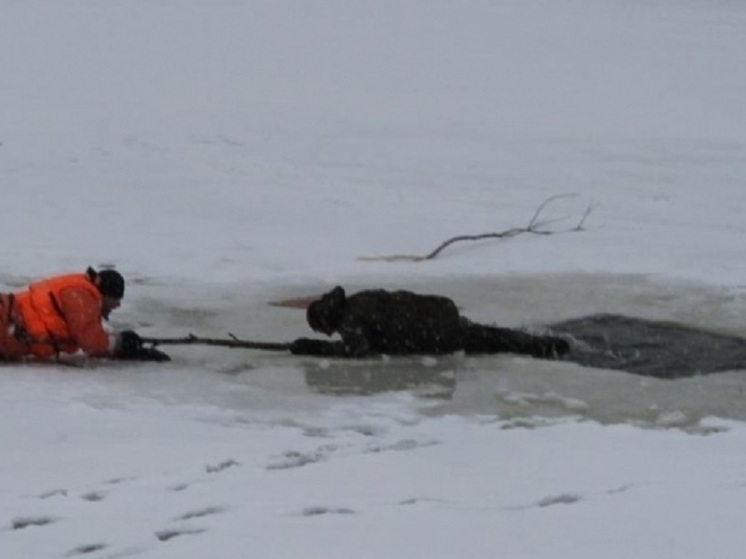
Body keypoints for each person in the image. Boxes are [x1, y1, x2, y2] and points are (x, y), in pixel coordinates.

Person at [289, 286, 570, 359]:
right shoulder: (359, 300)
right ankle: (539, 342)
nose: (328, 335)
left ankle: (545, 347)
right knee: (492, 335)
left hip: (432, 334)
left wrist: (314, 348)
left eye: (322, 331)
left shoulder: (350, 320)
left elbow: (359, 350)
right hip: (437, 315)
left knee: (494, 342)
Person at [0, 267, 169, 363]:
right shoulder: (81, 295)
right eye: (116, 300)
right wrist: (121, 343)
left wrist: (122, 350)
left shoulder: (82, 293)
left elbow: (91, 339)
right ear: (106, 294)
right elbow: (91, 342)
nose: (117, 305)